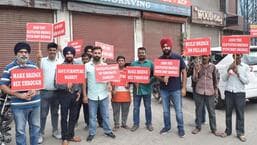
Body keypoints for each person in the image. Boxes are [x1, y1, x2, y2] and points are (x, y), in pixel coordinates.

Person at [0, 42, 40, 145]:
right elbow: (3, 86)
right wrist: (18, 95)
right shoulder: (9, 68)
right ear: (16, 54)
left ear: (28, 54)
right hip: (18, 106)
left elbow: (39, 83)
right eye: (21, 52)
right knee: (20, 131)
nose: (24, 54)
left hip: (35, 104)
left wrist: (35, 90)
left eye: (26, 52)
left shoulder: (34, 66)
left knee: (35, 129)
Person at [83, 46, 115, 142]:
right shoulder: (87, 66)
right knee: (92, 116)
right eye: (95, 53)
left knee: (105, 115)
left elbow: (108, 78)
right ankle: (92, 133)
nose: (97, 54)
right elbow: (84, 82)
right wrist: (84, 95)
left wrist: (109, 84)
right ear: (92, 54)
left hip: (103, 94)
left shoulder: (105, 65)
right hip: (92, 95)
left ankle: (108, 131)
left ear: (101, 54)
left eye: (99, 53)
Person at [157, 37, 186, 137]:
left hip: (176, 89)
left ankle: (181, 128)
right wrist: (162, 79)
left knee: (178, 111)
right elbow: (156, 74)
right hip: (164, 90)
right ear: (162, 48)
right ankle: (167, 127)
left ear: (171, 46)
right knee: (165, 111)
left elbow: (184, 71)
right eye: (164, 46)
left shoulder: (178, 57)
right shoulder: (160, 59)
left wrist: (184, 87)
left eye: (167, 46)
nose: (166, 47)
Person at [220, 54, 249, 142]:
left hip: (240, 93)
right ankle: (228, 131)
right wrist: (229, 71)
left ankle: (240, 133)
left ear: (242, 56)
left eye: (239, 56)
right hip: (229, 92)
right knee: (228, 113)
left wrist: (238, 74)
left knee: (240, 114)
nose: (238, 57)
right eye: (236, 56)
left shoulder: (245, 67)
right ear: (233, 56)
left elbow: (247, 81)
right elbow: (224, 79)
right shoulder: (228, 66)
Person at [37, 42, 63, 143]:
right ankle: (40, 133)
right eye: (50, 50)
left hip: (57, 93)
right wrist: (37, 60)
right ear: (47, 51)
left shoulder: (60, 61)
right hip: (44, 92)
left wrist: (62, 50)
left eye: (54, 50)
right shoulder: (42, 61)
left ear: (56, 51)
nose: (52, 52)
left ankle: (55, 131)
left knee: (55, 113)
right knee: (43, 114)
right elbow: (37, 71)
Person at [56, 47, 82, 145]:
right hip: (64, 95)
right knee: (64, 117)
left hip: (75, 95)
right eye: (67, 54)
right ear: (65, 55)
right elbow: (56, 83)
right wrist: (65, 86)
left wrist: (78, 91)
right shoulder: (60, 67)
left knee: (73, 116)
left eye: (71, 54)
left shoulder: (77, 66)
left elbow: (79, 81)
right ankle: (64, 138)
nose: (69, 55)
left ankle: (71, 135)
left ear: (74, 55)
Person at [191, 55, 220, 136]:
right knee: (198, 110)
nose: (204, 58)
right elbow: (194, 79)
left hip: (210, 91)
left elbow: (216, 79)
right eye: (203, 56)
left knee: (211, 111)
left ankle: (214, 129)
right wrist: (196, 71)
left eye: (206, 56)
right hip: (199, 91)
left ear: (209, 57)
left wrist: (216, 90)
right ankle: (198, 127)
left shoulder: (213, 67)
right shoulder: (197, 66)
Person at [130, 47, 154, 132]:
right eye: (139, 52)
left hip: (147, 89)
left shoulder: (150, 63)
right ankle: (135, 124)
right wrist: (133, 81)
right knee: (136, 108)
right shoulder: (133, 64)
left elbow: (155, 75)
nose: (141, 54)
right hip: (137, 90)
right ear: (137, 54)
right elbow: (130, 76)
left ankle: (149, 123)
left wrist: (149, 81)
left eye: (143, 52)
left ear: (145, 53)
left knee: (148, 107)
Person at [111, 56, 131, 131]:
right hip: (116, 93)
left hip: (126, 94)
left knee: (125, 110)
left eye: (122, 60)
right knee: (116, 111)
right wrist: (112, 89)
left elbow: (131, 81)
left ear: (124, 62)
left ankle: (124, 123)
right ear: (117, 62)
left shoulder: (128, 71)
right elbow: (109, 81)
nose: (121, 62)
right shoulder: (113, 71)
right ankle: (116, 124)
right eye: (119, 60)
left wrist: (129, 85)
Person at [187, 56, 206, 125]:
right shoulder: (192, 63)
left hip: (203, 85)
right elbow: (187, 74)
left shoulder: (205, 62)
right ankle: (199, 119)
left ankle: (201, 119)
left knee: (202, 103)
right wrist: (191, 67)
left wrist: (199, 68)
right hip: (195, 86)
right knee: (198, 104)